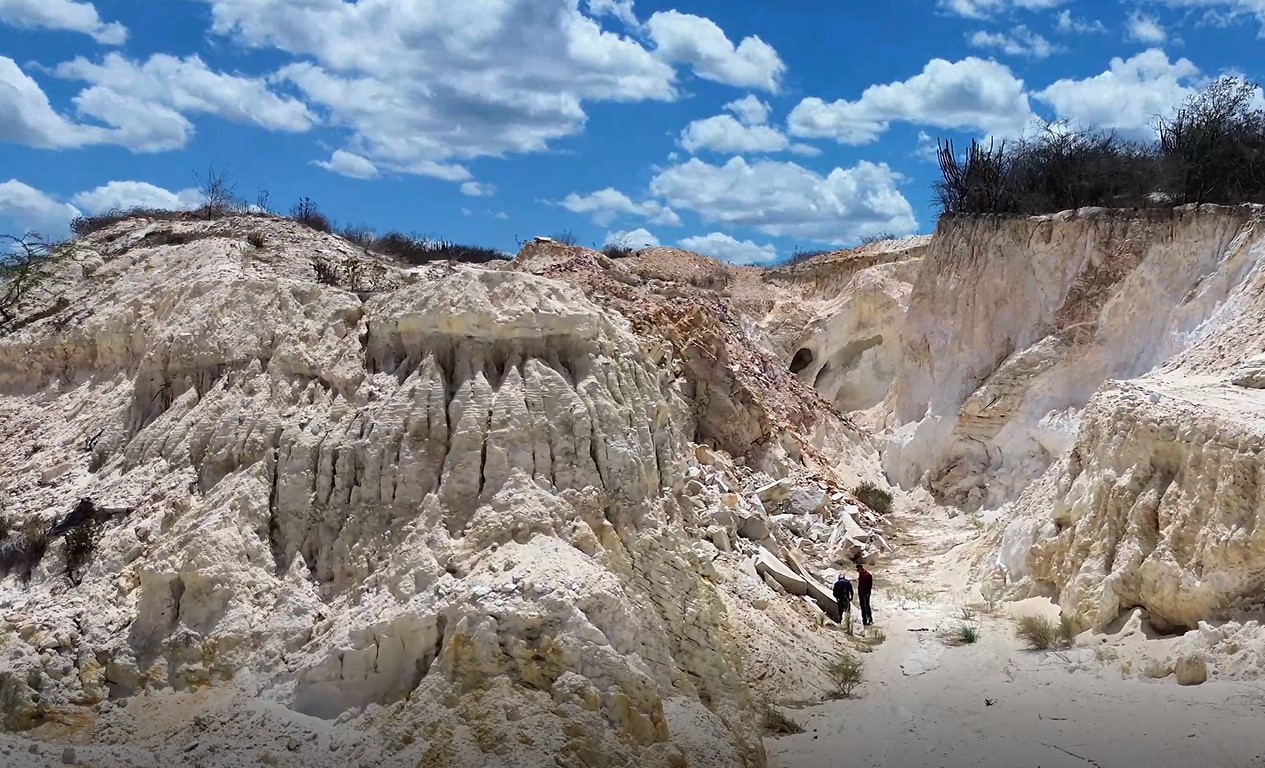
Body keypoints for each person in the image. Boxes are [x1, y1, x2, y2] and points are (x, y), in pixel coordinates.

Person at [856, 562, 874, 626]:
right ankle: (864, 620)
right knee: (863, 606)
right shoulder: (861, 575)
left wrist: (867, 593)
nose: (858, 571)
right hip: (861, 593)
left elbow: (869, 585)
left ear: (861, 569)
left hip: (865, 593)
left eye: (858, 570)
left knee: (866, 606)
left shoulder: (867, 575)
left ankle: (869, 619)